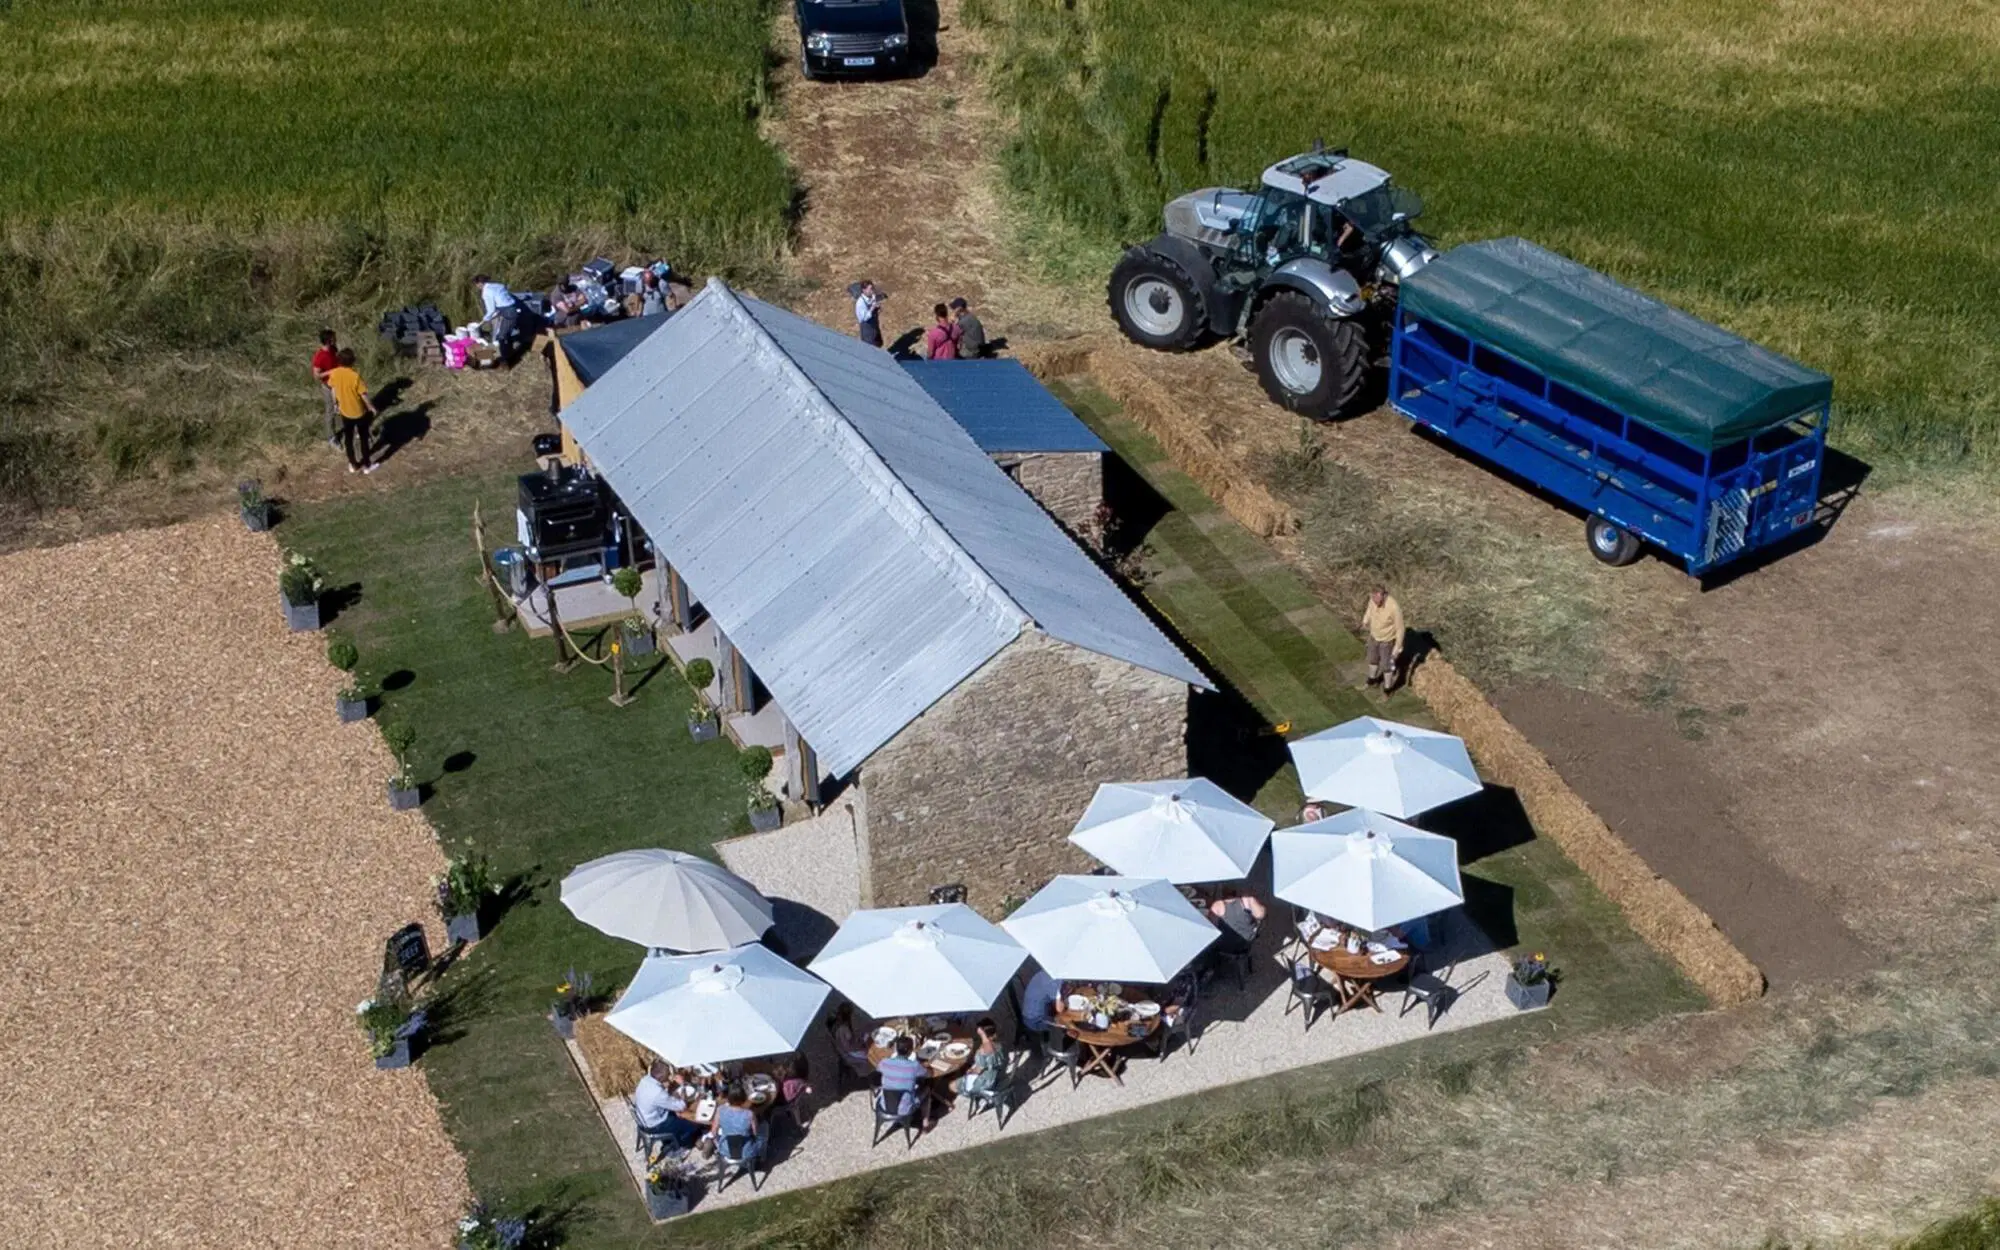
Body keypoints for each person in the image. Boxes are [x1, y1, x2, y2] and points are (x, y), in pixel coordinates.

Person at [325, 348, 379, 474]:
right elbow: (363, 395)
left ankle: (353, 464)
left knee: (348, 439)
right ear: (352, 362)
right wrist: (371, 407)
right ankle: (366, 465)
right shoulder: (355, 376)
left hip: (345, 412)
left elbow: (333, 389)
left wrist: (335, 403)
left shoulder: (335, 373)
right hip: (359, 412)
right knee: (364, 438)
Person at [633, 1060, 707, 1151]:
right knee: (691, 1122)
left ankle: (679, 1137)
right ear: (661, 1077)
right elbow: (681, 1106)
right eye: (667, 1075)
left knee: (678, 1114)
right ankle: (686, 1143)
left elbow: (662, 1096)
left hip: (644, 1118)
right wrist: (683, 1085)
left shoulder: (645, 1080)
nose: (669, 1077)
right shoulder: (657, 1093)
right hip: (654, 1125)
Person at [1361, 584, 1407, 692]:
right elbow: (1369, 610)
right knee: (1373, 660)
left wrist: (1398, 646)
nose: (1375, 603)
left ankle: (1387, 690)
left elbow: (1400, 628)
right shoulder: (1373, 600)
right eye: (1373, 599)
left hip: (1387, 641)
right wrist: (1365, 620)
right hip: (1374, 637)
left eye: (1377, 600)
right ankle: (1371, 681)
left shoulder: (1394, 607)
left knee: (1387, 666)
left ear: (1383, 595)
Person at [875, 1034, 929, 1123]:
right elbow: (927, 1074)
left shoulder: (884, 1062)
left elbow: (878, 1068)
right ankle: (925, 1124)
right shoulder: (914, 1066)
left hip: (885, 1105)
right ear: (911, 1051)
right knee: (927, 1089)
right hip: (905, 1109)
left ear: (896, 1049)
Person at [710, 1083, 768, 1163]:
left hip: (725, 1149)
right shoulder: (749, 1114)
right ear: (744, 1098)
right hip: (746, 1151)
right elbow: (756, 1133)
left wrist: (718, 1143)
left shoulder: (720, 1110)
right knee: (765, 1126)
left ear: (728, 1098)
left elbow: (714, 1132)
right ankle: (762, 1156)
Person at [953, 1017, 1006, 1101]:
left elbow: (978, 1070)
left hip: (987, 1082)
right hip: (997, 1075)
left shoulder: (983, 1050)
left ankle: (978, 1094)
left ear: (982, 1032)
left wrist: (970, 1071)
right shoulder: (999, 1044)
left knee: (951, 1085)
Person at [1208, 887, 1266, 956]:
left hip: (1225, 947)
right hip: (1246, 943)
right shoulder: (1247, 901)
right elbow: (1260, 915)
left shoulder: (1217, 906)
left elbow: (1210, 930)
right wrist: (1252, 900)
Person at [473, 273, 520, 354]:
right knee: (507, 334)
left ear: (480, 283)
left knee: (501, 337)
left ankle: (505, 360)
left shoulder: (486, 292)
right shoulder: (498, 285)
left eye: (476, 284)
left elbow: (491, 310)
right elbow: (501, 299)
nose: (476, 286)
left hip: (508, 313)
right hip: (513, 308)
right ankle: (510, 352)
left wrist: (485, 319)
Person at [310, 329, 341, 448]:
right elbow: (316, 375)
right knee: (330, 411)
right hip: (328, 386)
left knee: (344, 405)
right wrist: (331, 372)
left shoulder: (333, 349)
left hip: (338, 383)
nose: (336, 339)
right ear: (329, 340)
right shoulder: (320, 357)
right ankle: (331, 437)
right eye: (334, 338)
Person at [1020, 965, 1060, 1037]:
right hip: (1035, 1020)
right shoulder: (1054, 981)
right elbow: (1059, 1008)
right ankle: (1053, 1045)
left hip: (1033, 1012)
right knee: (1064, 1025)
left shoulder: (1046, 972)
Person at [853, 281, 884, 347]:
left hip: (875, 326)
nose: (872, 291)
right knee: (871, 347)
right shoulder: (860, 303)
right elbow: (864, 318)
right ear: (864, 290)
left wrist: (877, 308)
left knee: (878, 344)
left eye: (872, 288)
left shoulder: (872, 297)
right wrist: (872, 308)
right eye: (870, 289)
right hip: (867, 330)